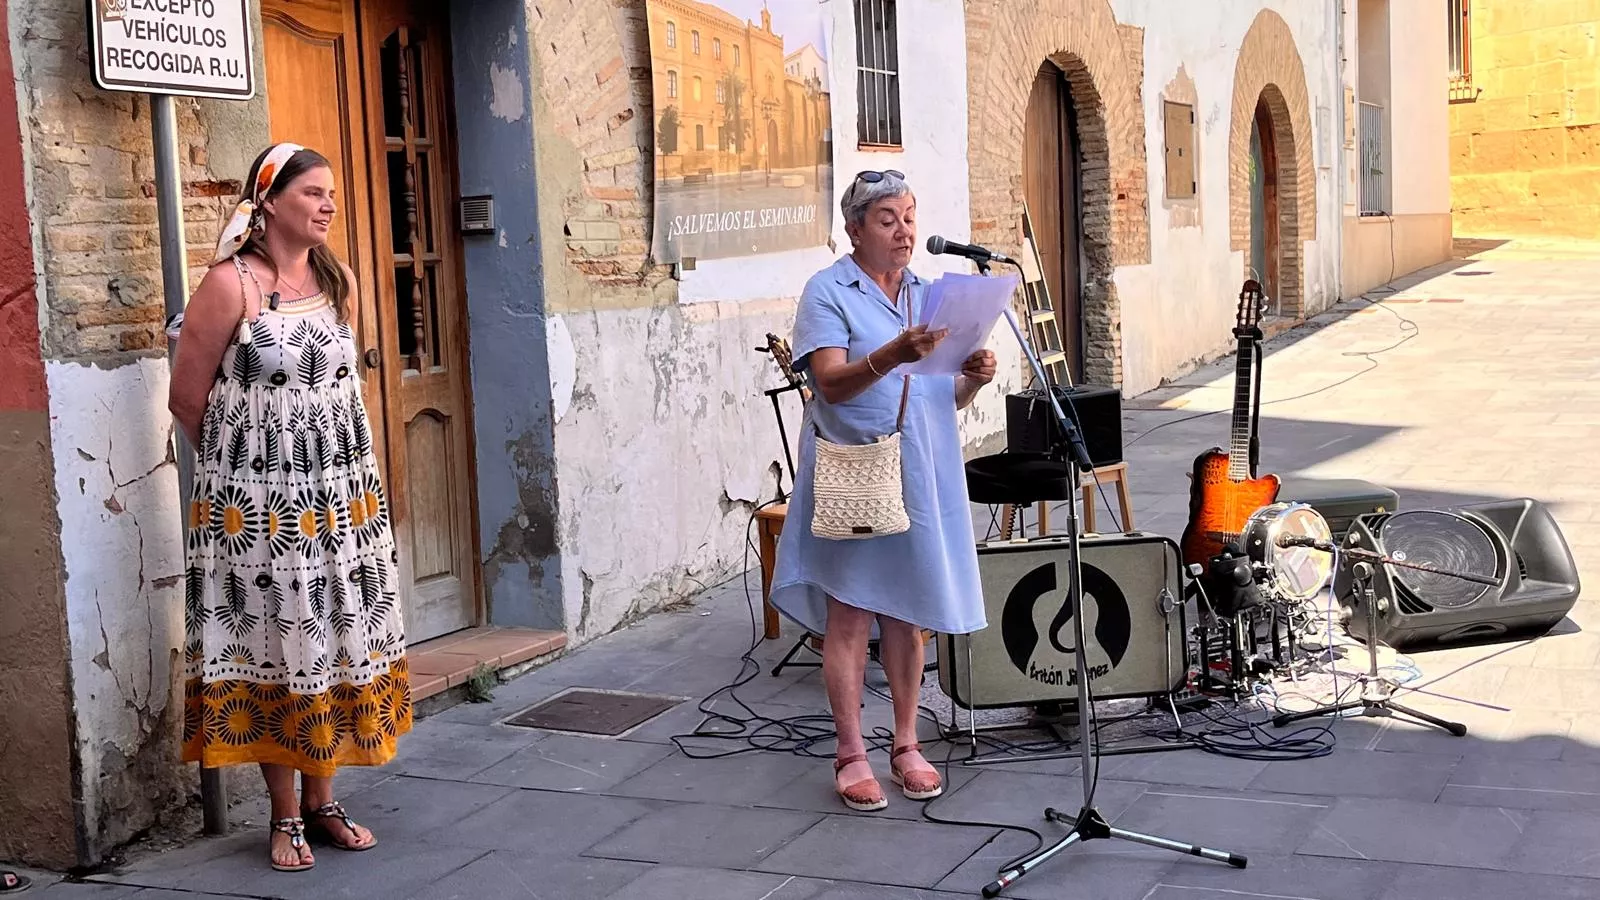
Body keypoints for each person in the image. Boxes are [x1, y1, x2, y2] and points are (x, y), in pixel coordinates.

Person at [168, 143, 410, 872]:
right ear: (269, 201)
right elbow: (187, 397)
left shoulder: (338, 282)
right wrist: (252, 474)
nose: (328, 205)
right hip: (257, 513)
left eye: (332, 193)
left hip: (337, 503)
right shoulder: (228, 285)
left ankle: (323, 800)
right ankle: (282, 815)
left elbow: (339, 390)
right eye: (313, 193)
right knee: (276, 639)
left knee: (329, 634)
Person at [769, 170, 996, 811]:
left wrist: (972, 380)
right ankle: (849, 752)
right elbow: (831, 386)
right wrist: (893, 353)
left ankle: (904, 742)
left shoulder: (929, 293)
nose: (904, 231)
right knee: (851, 610)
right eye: (887, 219)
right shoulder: (827, 291)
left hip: (922, 470)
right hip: (857, 469)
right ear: (855, 229)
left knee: (906, 609)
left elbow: (936, 396)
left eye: (910, 216)